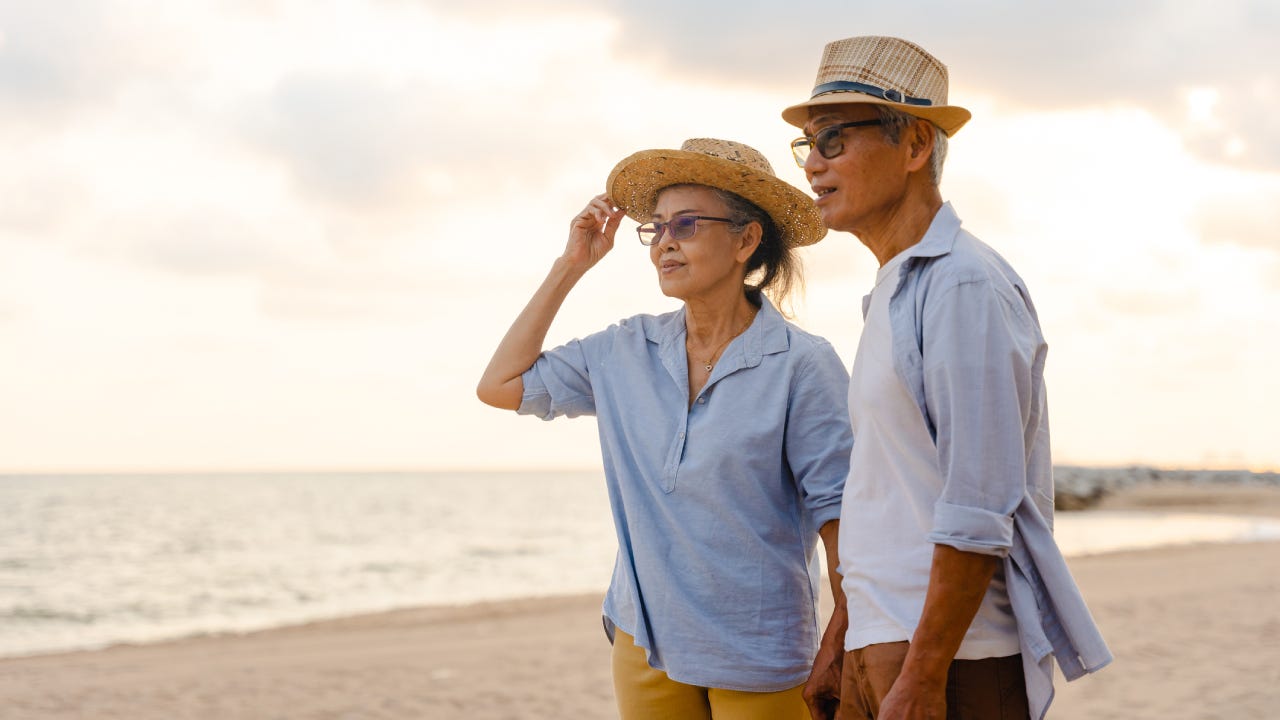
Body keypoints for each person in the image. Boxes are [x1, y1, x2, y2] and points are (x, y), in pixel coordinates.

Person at [781, 37, 1113, 720]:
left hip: (950, 660)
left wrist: (924, 674)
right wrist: (843, 638)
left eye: (835, 139)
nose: (812, 163)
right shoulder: (896, 289)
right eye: (808, 144)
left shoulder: (962, 283)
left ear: (914, 147)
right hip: (887, 647)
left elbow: (977, 503)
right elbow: (890, 493)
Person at [476, 138, 853, 719]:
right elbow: (500, 385)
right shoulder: (623, 350)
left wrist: (842, 640)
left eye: (687, 224)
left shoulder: (802, 363)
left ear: (746, 239)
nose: (665, 243)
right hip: (643, 643)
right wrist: (569, 267)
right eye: (655, 229)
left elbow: (840, 517)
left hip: (760, 653)